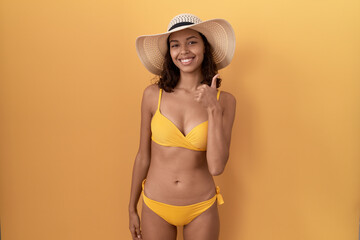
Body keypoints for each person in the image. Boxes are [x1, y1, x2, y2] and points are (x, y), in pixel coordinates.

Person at [129, 13, 236, 240]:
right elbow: (142, 157)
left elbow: (216, 167)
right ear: (170, 53)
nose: (183, 51)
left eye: (192, 42)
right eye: (175, 45)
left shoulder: (225, 101)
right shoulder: (152, 96)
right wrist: (131, 208)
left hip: (201, 208)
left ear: (205, 47)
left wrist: (213, 109)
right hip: (156, 205)